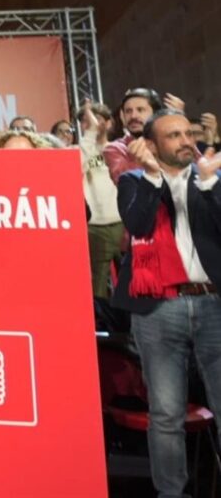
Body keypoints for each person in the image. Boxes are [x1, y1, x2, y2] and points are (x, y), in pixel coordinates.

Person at [111, 110, 221, 498]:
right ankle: (171, 494)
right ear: (153, 146)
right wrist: (154, 176)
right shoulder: (133, 181)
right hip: (158, 310)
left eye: (188, 133)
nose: (186, 140)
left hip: (214, 305)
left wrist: (210, 184)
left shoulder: (211, 180)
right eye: (174, 135)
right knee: (167, 414)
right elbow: (138, 224)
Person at [78, 101, 123, 300]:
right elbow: (76, 168)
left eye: (96, 119)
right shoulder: (79, 150)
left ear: (109, 123)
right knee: (98, 286)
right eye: (85, 121)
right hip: (94, 226)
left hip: (124, 223)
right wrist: (90, 134)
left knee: (132, 281)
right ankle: (102, 325)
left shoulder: (120, 149)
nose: (92, 124)